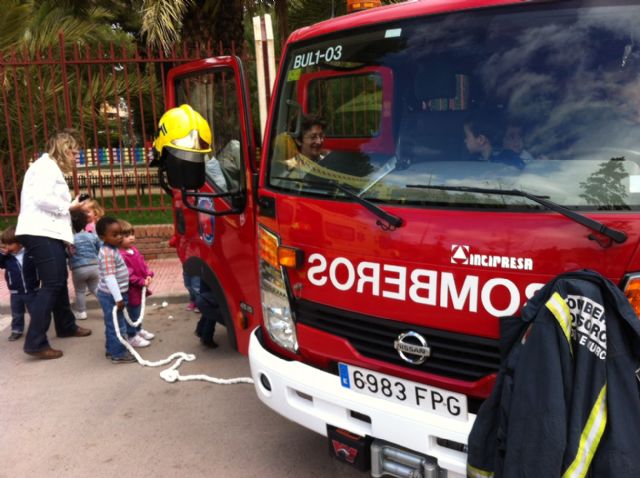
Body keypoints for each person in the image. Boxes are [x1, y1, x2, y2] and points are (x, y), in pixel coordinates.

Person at [15, 130, 91, 360]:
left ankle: (66, 325)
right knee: (52, 283)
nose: (76, 157)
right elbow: (42, 198)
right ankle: (35, 342)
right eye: (74, 152)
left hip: (47, 231)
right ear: (63, 149)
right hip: (40, 231)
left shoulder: (48, 167)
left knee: (57, 281)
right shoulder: (45, 167)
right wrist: (69, 206)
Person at [96, 216, 136, 363]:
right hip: (111, 296)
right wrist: (118, 298)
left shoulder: (111, 249)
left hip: (114, 295)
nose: (119, 237)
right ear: (102, 237)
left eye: (120, 234)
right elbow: (109, 277)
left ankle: (111, 349)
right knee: (117, 325)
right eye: (114, 235)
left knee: (112, 323)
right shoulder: (107, 253)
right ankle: (118, 353)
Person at [118, 219, 155, 347]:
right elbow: (128, 274)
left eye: (132, 234)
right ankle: (131, 335)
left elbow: (143, 265)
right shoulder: (121, 255)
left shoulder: (134, 250)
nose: (131, 238)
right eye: (127, 236)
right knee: (133, 312)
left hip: (139, 287)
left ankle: (138, 330)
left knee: (138, 311)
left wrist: (148, 275)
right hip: (131, 289)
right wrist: (140, 281)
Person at [0, 226, 38, 341]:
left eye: (10, 244)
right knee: (17, 313)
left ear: (20, 243)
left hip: (32, 290)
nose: (7, 247)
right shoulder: (7, 258)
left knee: (35, 311)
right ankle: (17, 330)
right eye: (5, 244)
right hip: (16, 292)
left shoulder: (30, 253)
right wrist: (3, 254)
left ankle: (37, 329)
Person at [69, 209, 100, 320]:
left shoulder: (69, 239)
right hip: (94, 266)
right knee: (96, 288)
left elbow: (67, 253)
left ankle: (82, 312)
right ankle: (108, 306)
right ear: (86, 223)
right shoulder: (92, 236)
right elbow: (99, 248)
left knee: (80, 291)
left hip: (78, 269)